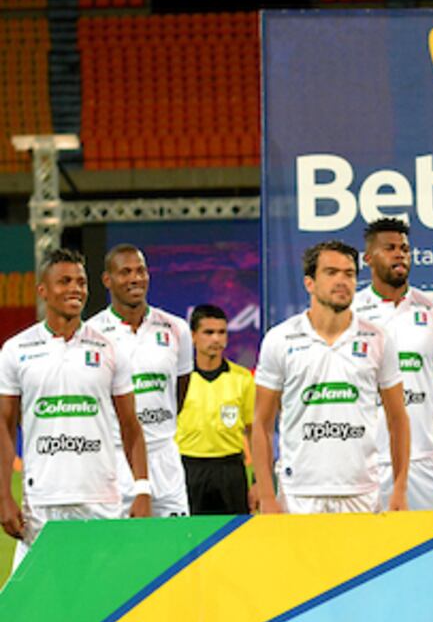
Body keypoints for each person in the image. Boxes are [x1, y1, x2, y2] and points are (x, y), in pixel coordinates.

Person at [0, 249, 150, 569]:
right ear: (43, 290)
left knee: (103, 602)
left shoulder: (110, 350)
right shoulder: (15, 350)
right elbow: (5, 424)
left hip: (102, 499)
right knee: (35, 608)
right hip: (41, 503)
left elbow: (130, 425)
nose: (75, 289)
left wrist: (141, 488)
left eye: (81, 282)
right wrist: (3, 497)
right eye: (65, 281)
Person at [251, 240, 411, 514]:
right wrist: (267, 495)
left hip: (361, 493)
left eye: (349, 274)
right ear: (309, 283)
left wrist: (399, 488)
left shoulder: (378, 338)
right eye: (331, 272)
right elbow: (262, 423)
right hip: (298, 494)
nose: (342, 281)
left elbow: (398, 419)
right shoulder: (279, 339)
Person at [352, 218, 433, 511]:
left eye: (404, 249)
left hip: (424, 458)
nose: (400, 254)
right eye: (390, 249)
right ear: (369, 258)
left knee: (427, 550)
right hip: (365, 459)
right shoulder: (352, 312)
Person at [87, 244, 192, 517]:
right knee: (117, 552)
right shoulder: (92, 334)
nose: (135, 278)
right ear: (107, 280)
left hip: (164, 455)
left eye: (141, 271)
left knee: (176, 548)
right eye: (125, 272)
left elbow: (179, 391)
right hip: (114, 457)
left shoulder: (177, 328)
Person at [175, 304, 255, 515]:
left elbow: (254, 431)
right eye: (208, 332)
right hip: (188, 468)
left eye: (221, 332)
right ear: (193, 336)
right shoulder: (179, 380)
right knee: (189, 539)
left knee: (234, 538)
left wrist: (257, 481)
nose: (216, 339)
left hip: (230, 469)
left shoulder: (243, 378)